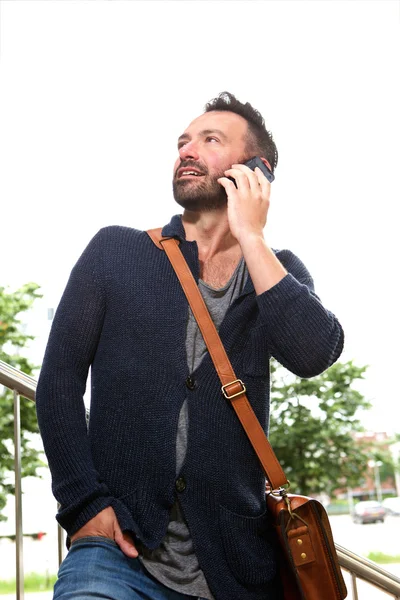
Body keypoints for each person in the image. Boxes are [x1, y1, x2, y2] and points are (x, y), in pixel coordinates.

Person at [36, 91, 344, 600]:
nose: (186, 150)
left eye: (210, 139)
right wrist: (83, 502)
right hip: (117, 552)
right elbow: (58, 384)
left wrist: (252, 236)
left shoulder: (276, 271)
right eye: (183, 142)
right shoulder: (115, 250)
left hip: (235, 570)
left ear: (257, 171)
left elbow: (313, 353)